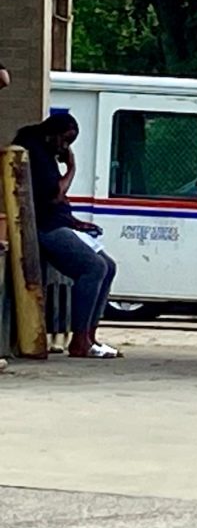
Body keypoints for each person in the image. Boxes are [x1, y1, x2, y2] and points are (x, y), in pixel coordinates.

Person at [12, 113, 121, 359]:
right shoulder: (36, 152)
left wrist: (76, 223)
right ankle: (79, 339)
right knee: (93, 268)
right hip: (46, 228)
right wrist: (71, 168)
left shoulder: (46, 152)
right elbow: (54, 195)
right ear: (52, 134)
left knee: (109, 266)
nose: (65, 147)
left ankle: (90, 336)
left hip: (58, 221)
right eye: (65, 140)